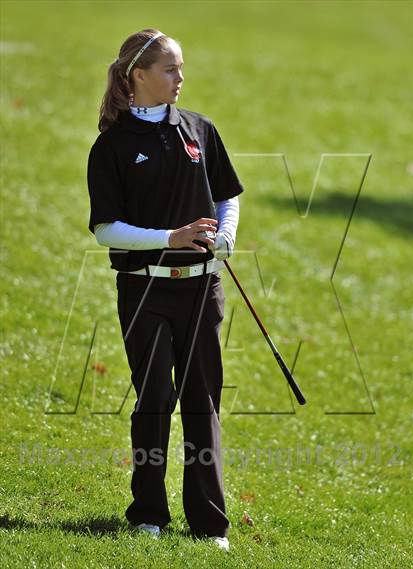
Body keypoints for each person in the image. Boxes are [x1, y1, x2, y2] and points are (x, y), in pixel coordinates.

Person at [87, 28, 244, 552]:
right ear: (139, 75)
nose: (181, 78)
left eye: (180, 68)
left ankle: (210, 524)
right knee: (155, 398)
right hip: (144, 291)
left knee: (203, 402)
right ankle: (148, 513)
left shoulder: (200, 130)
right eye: (171, 69)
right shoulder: (111, 145)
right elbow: (106, 228)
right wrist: (169, 238)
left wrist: (224, 236)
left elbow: (227, 198)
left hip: (202, 291)